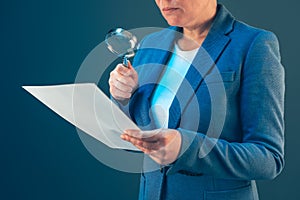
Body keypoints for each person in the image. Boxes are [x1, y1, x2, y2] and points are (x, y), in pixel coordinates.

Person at [109, 0, 285, 200]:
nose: (164, 1)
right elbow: (134, 136)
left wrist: (187, 148)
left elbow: (269, 159)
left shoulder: (253, 44)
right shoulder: (151, 44)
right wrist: (122, 97)